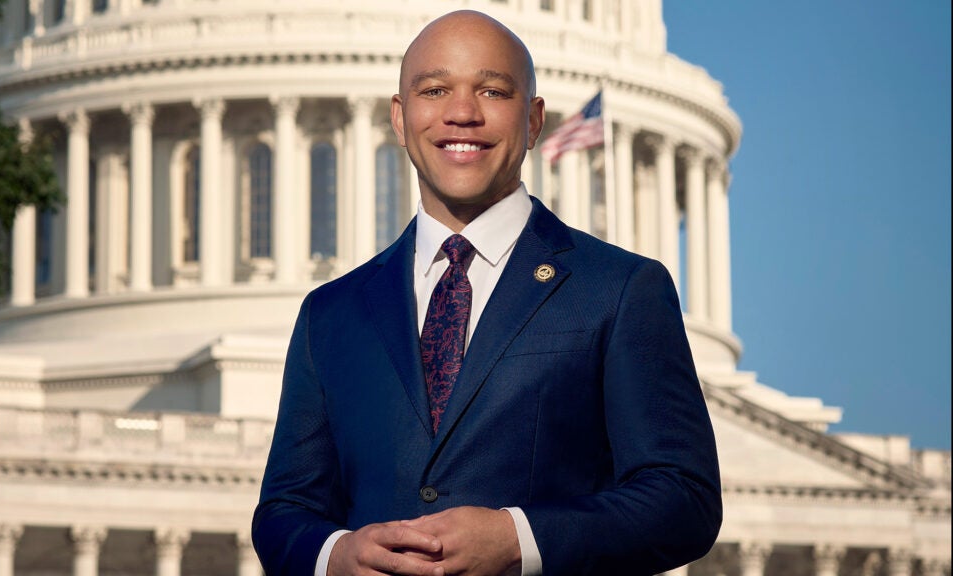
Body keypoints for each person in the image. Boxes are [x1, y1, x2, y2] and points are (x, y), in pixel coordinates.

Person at [252, 10, 721, 576]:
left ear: (533, 120)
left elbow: (683, 497)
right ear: (399, 119)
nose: (462, 113)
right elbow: (285, 510)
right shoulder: (331, 314)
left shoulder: (617, 290)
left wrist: (518, 537)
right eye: (435, 90)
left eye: (493, 91)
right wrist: (335, 555)